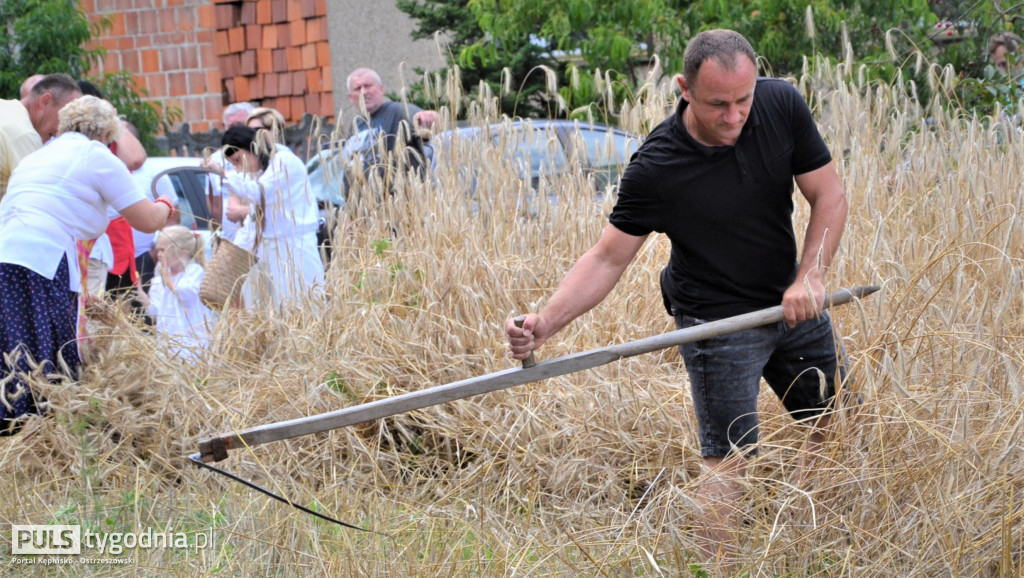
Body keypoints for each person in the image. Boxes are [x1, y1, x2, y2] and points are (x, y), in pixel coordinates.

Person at [505, 29, 851, 564]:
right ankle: (716, 569)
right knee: (729, 458)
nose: (735, 116)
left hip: (791, 300)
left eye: (743, 100)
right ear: (684, 89)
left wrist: (811, 276)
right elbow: (607, 258)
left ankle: (812, 549)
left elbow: (827, 193)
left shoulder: (780, 104)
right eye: (719, 104)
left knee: (833, 419)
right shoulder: (657, 166)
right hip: (714, 321)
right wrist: (545, 323)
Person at [0, 95, 172, 433]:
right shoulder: (95, 156)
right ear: (108, 134)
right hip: (42, 260)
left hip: (6, 255)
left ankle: (12, 431)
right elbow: (149, 220)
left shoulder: (39, 156)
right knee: (49, 352)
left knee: (13, 348)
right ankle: (48, 432)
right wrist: (166, 202)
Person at [205, 125, 324, 309]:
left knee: (300, 307)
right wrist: (231, 258)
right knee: (268, 312)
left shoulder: (284, 161)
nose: (239, 167)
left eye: (238, 159)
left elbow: (260, 193)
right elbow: (253, 223)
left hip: (295, 249)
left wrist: (223, 173)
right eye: (234, 164)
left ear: (250, 147)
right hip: (268, 253)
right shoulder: (261, 175)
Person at [134, 225, 211, 363]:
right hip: (168, 346)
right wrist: (140, 292)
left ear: (181, 252)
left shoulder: (194, 272)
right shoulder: (158, 280)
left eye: (163, 250)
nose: (159, 255)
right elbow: (155, 311)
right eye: (158, 250)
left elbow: (184, 294)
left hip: (191, 344)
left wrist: (166, 277)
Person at [1, 73, 82, 197]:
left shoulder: (5, 107)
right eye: (66, 116)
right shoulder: (24, 134)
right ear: (45, 101)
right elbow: (36, 198)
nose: (63, 129)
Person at [345, 68, 427, 174]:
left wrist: (429, 119)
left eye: (368, 86)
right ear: (351, 97)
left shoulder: (399, 111)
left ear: (381, 89)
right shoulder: (356, 125)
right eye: (357, 88)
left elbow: (428, 124)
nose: (363, 92)